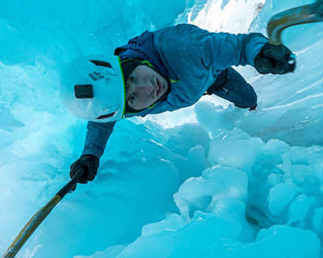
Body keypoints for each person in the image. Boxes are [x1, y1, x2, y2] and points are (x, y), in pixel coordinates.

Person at [60, 23, 296, 184]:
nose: (148, 88)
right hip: (191, 87)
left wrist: (259, 52)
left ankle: (248, 110)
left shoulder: (182, 47)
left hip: (215, 78)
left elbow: (233, 46)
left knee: (248, 99)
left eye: (132, 77)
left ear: (122, 62)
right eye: (132, 97)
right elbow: (102, 122)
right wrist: (90, 155)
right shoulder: (118, 101)